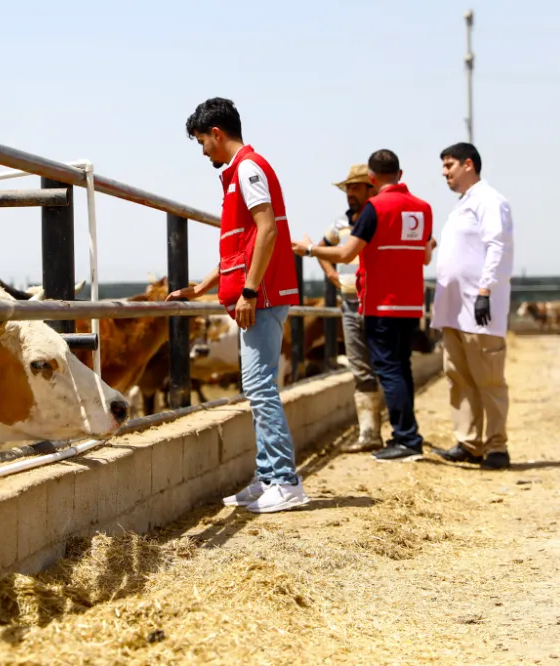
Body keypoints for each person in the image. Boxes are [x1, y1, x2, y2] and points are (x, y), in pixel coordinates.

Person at [167, 97, 309, 513]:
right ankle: (267, 477)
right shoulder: (239, 173)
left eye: (202, 142)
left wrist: (248, 291)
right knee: (256, 387)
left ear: (216, 134)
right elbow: (240, 245)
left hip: (259, 298)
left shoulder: (247, 169)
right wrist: (201, 288)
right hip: (255, 295)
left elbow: (267, 231)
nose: (203, 152)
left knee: (261, 387)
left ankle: (285, 481)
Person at [291, 149, 433, 462]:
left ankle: (406, 440)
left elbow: (344, 254)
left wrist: (310, 249)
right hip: (411, 304)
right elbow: (425, 256)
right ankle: (408, 436)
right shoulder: (423, 208)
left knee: (388, 370)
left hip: (381, 303)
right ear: (401, 173)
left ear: (371, 179)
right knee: (401, 367)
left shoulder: (374, 208)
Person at [430, 142, 514, 470]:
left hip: (479, 308)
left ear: (468, 164)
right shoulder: (462, 205)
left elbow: (497, 247)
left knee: (489, 379)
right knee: (459, 377)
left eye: (449, 165)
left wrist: (485, 291)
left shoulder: (491, 201)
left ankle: (496, 447)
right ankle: (469, 442)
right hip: (453, 309)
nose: (444, 172)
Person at [315, 164, 384, 452]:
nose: (350, 194)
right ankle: (369, 433)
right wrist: (331, 274)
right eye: (348, 188)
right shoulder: (339, 224)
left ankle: (391, 430)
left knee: (385, 364)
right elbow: (322, 247)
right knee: (358, 364)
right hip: (350, 300)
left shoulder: (381, 217)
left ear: (371, 188)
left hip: (379, 299)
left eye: (355, 187)